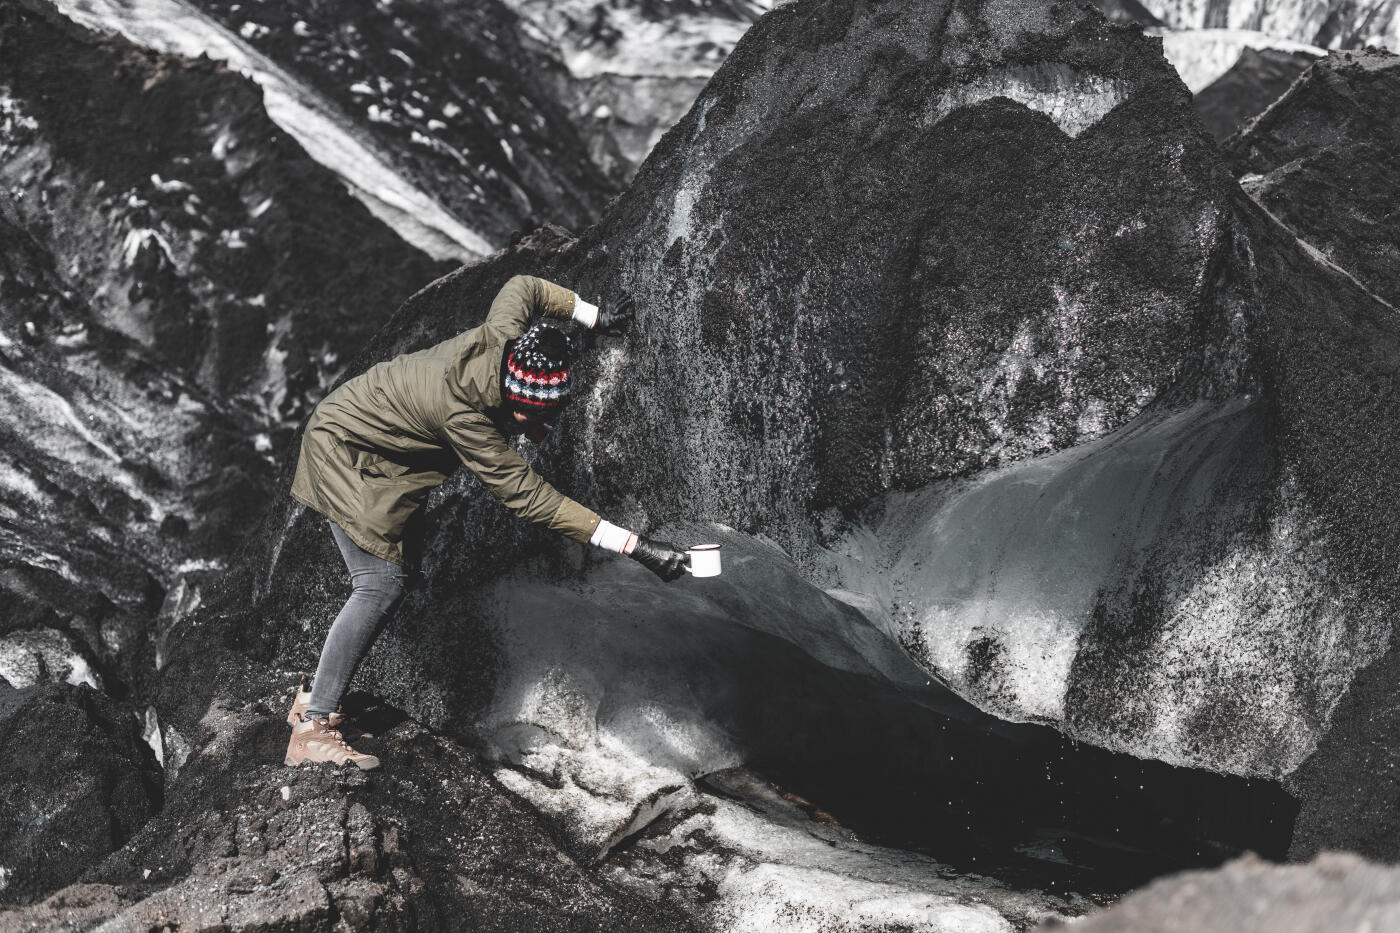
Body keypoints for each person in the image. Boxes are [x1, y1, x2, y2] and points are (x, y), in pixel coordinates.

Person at [283, 275, 689, 770]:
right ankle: (311, 727)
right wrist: (636, 546)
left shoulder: (505, 337)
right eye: (525, 416)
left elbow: (524, 287)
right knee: (379, 584)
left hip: (372, 442)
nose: (531, 426)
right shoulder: (464, 415)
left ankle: (314, 692)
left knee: (395, 577)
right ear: (510, 398)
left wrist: (592, 316)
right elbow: (528, 496)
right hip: (344, 453)